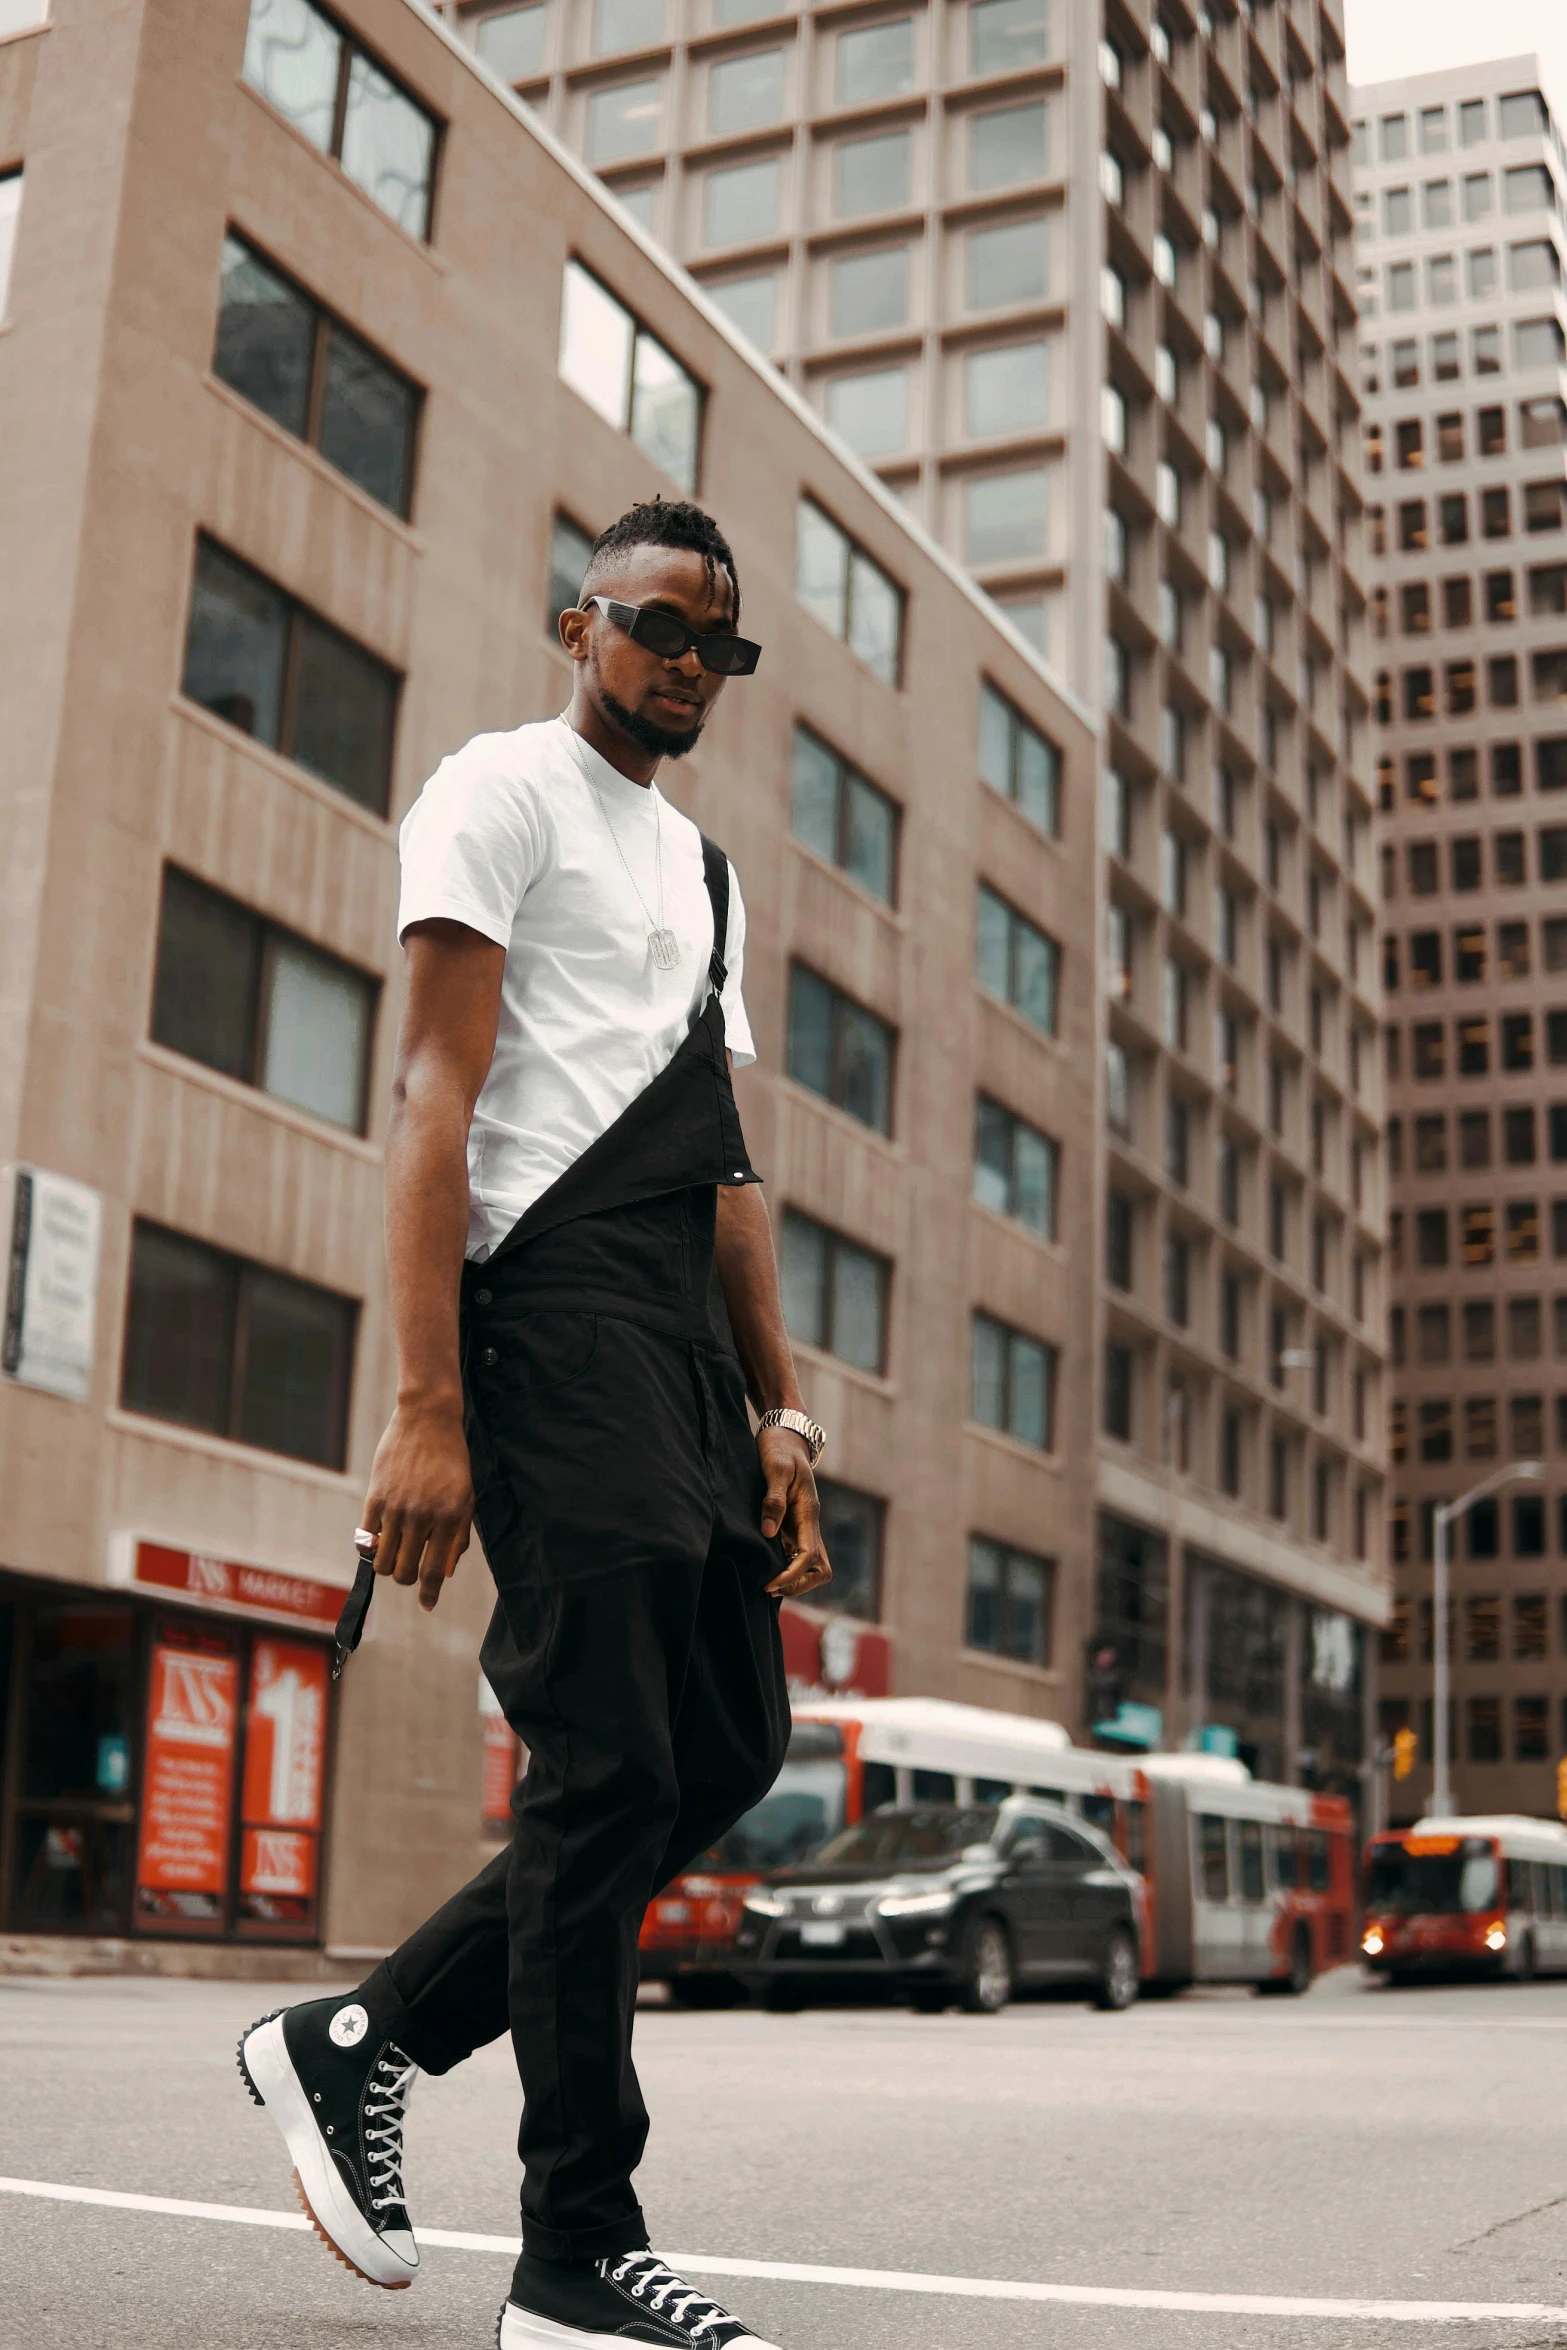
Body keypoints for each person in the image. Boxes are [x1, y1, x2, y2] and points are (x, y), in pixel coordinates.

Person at [238, 499, 831, 2349]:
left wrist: (782, 1406)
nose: (682, 661)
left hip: (673, 1325)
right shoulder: (495, 791)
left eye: (714, 644)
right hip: (545, 1303)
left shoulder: (706, 873)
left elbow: (722, 1160)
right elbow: (432, 1095)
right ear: (580, 621)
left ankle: (364, 2032)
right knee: (600, 1767)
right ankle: (576, 2250)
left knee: (721, 1746)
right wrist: (428, 1405)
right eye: (653, 623)